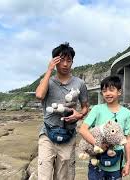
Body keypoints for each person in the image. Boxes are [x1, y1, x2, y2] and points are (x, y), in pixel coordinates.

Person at [35, 42, 89, 180]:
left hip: (68, 135)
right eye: (61, 60)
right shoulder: (47, 81)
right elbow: (40, 95)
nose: (65, 64)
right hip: (47, 133)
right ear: (55, 61)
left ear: (72, 62)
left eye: (69, 60)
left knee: (64, 176)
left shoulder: (80, 84)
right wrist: (49, 70)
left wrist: (80, 115)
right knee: (44, 176)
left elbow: (85, 107)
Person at [79, 75, 130, 180]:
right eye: (104, 91)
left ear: (119, 92)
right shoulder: (97, 109)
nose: (107, 93)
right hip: (97, 162)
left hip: (117, 162)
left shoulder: (127, 113)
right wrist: (97, 145)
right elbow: (83, 130)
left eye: (111, 90)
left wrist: (128, 163)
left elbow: (127, 139)